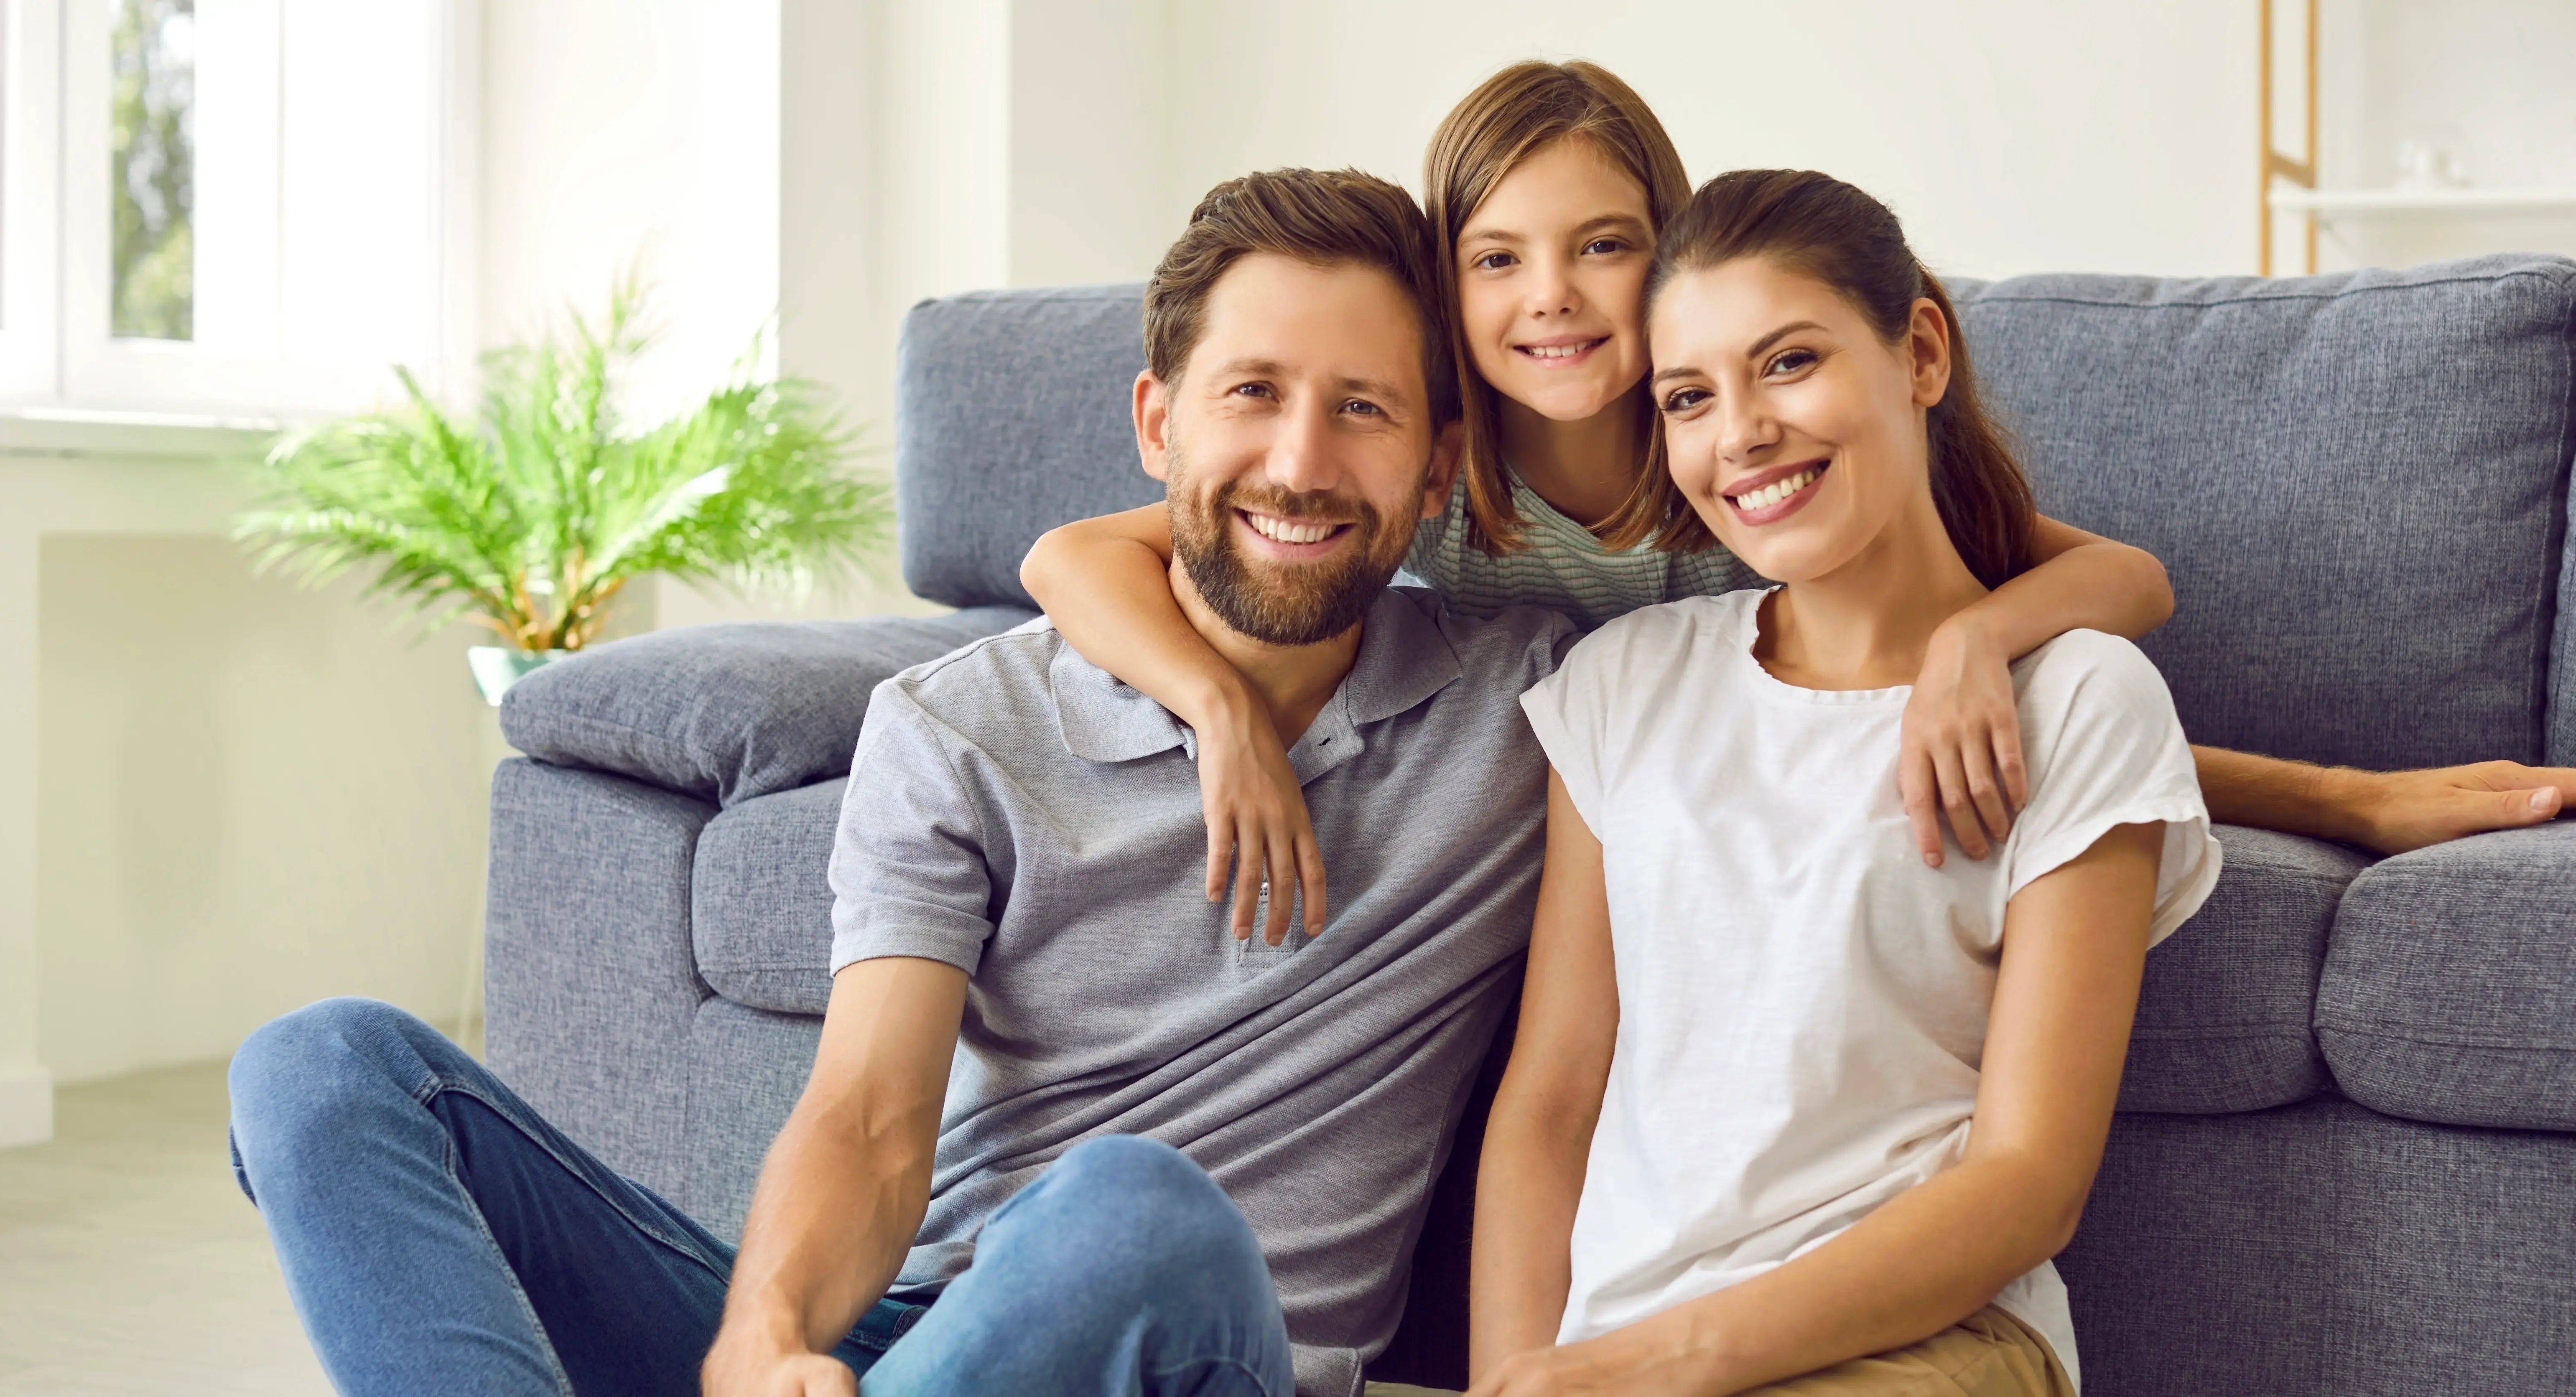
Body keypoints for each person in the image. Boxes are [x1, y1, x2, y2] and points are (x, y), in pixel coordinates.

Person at [228, 167, 1574, 1397]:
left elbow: (1729, 537)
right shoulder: (961, 723)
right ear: (1157, 425)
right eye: (1253, 394)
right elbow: (872, 1118)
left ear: (1442, 460)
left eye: (1364, 410)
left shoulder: (1534, 708)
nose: (1299, 462)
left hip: (1207, 1344)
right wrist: (765, 1335)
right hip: (927, 1338)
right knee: (327, 1064)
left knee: (1133, 1207)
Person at [1020, 60, 2576, 947]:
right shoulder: (1423, 475)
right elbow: (1069, 553)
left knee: (1961, 704)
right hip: (1566, 812)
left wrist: (1975, 642)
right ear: (1450, 282)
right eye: (1498, 259)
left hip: (1792, 765)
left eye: (1605, 247)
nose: (1552, 301)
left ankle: (2345, 795)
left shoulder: (1745, 466)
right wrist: (1220, 714)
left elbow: (2126, 582)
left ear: (1674, 254)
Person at [1469, 168, 2219, 1397]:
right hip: (1608, 1354)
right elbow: (1552, 1102)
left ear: (1921, 351)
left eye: (1789, 363)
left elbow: (2032, 1182)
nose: (1742, 435)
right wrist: (1521, 1378)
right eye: (1689, 398)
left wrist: (1668, 1364)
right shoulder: (1619, 686)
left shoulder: (2084, 700)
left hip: (1929, 1345)